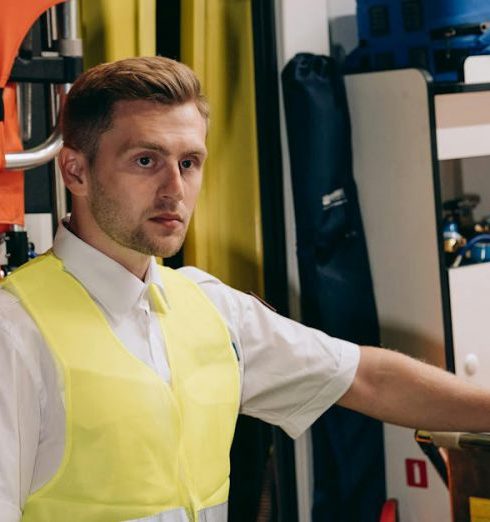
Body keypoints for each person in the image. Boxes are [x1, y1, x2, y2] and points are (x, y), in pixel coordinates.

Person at [1, 56, 489, 522]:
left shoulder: (210, 309)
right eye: (147, 160)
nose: (175, 189)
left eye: (189, 163)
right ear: (75, 171)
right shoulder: (15, 330)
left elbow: (369, 379)